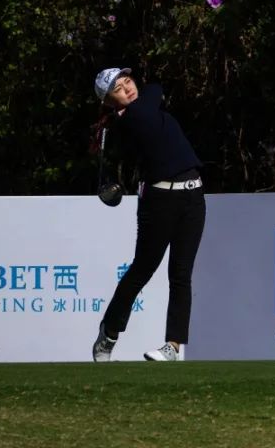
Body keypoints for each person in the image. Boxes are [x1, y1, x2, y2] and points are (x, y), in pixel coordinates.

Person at [91, 66, 206, 362]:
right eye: (118, 89)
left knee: (181, 275)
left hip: (193, 196)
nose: (128, 88)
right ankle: (109, 331)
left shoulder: (138, 111)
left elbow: (152, 91)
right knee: (142, 269)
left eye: (127, 81)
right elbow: (155, 88)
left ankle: (173, 346)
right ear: (110, 101)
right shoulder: (135, 116)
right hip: (160, 201)